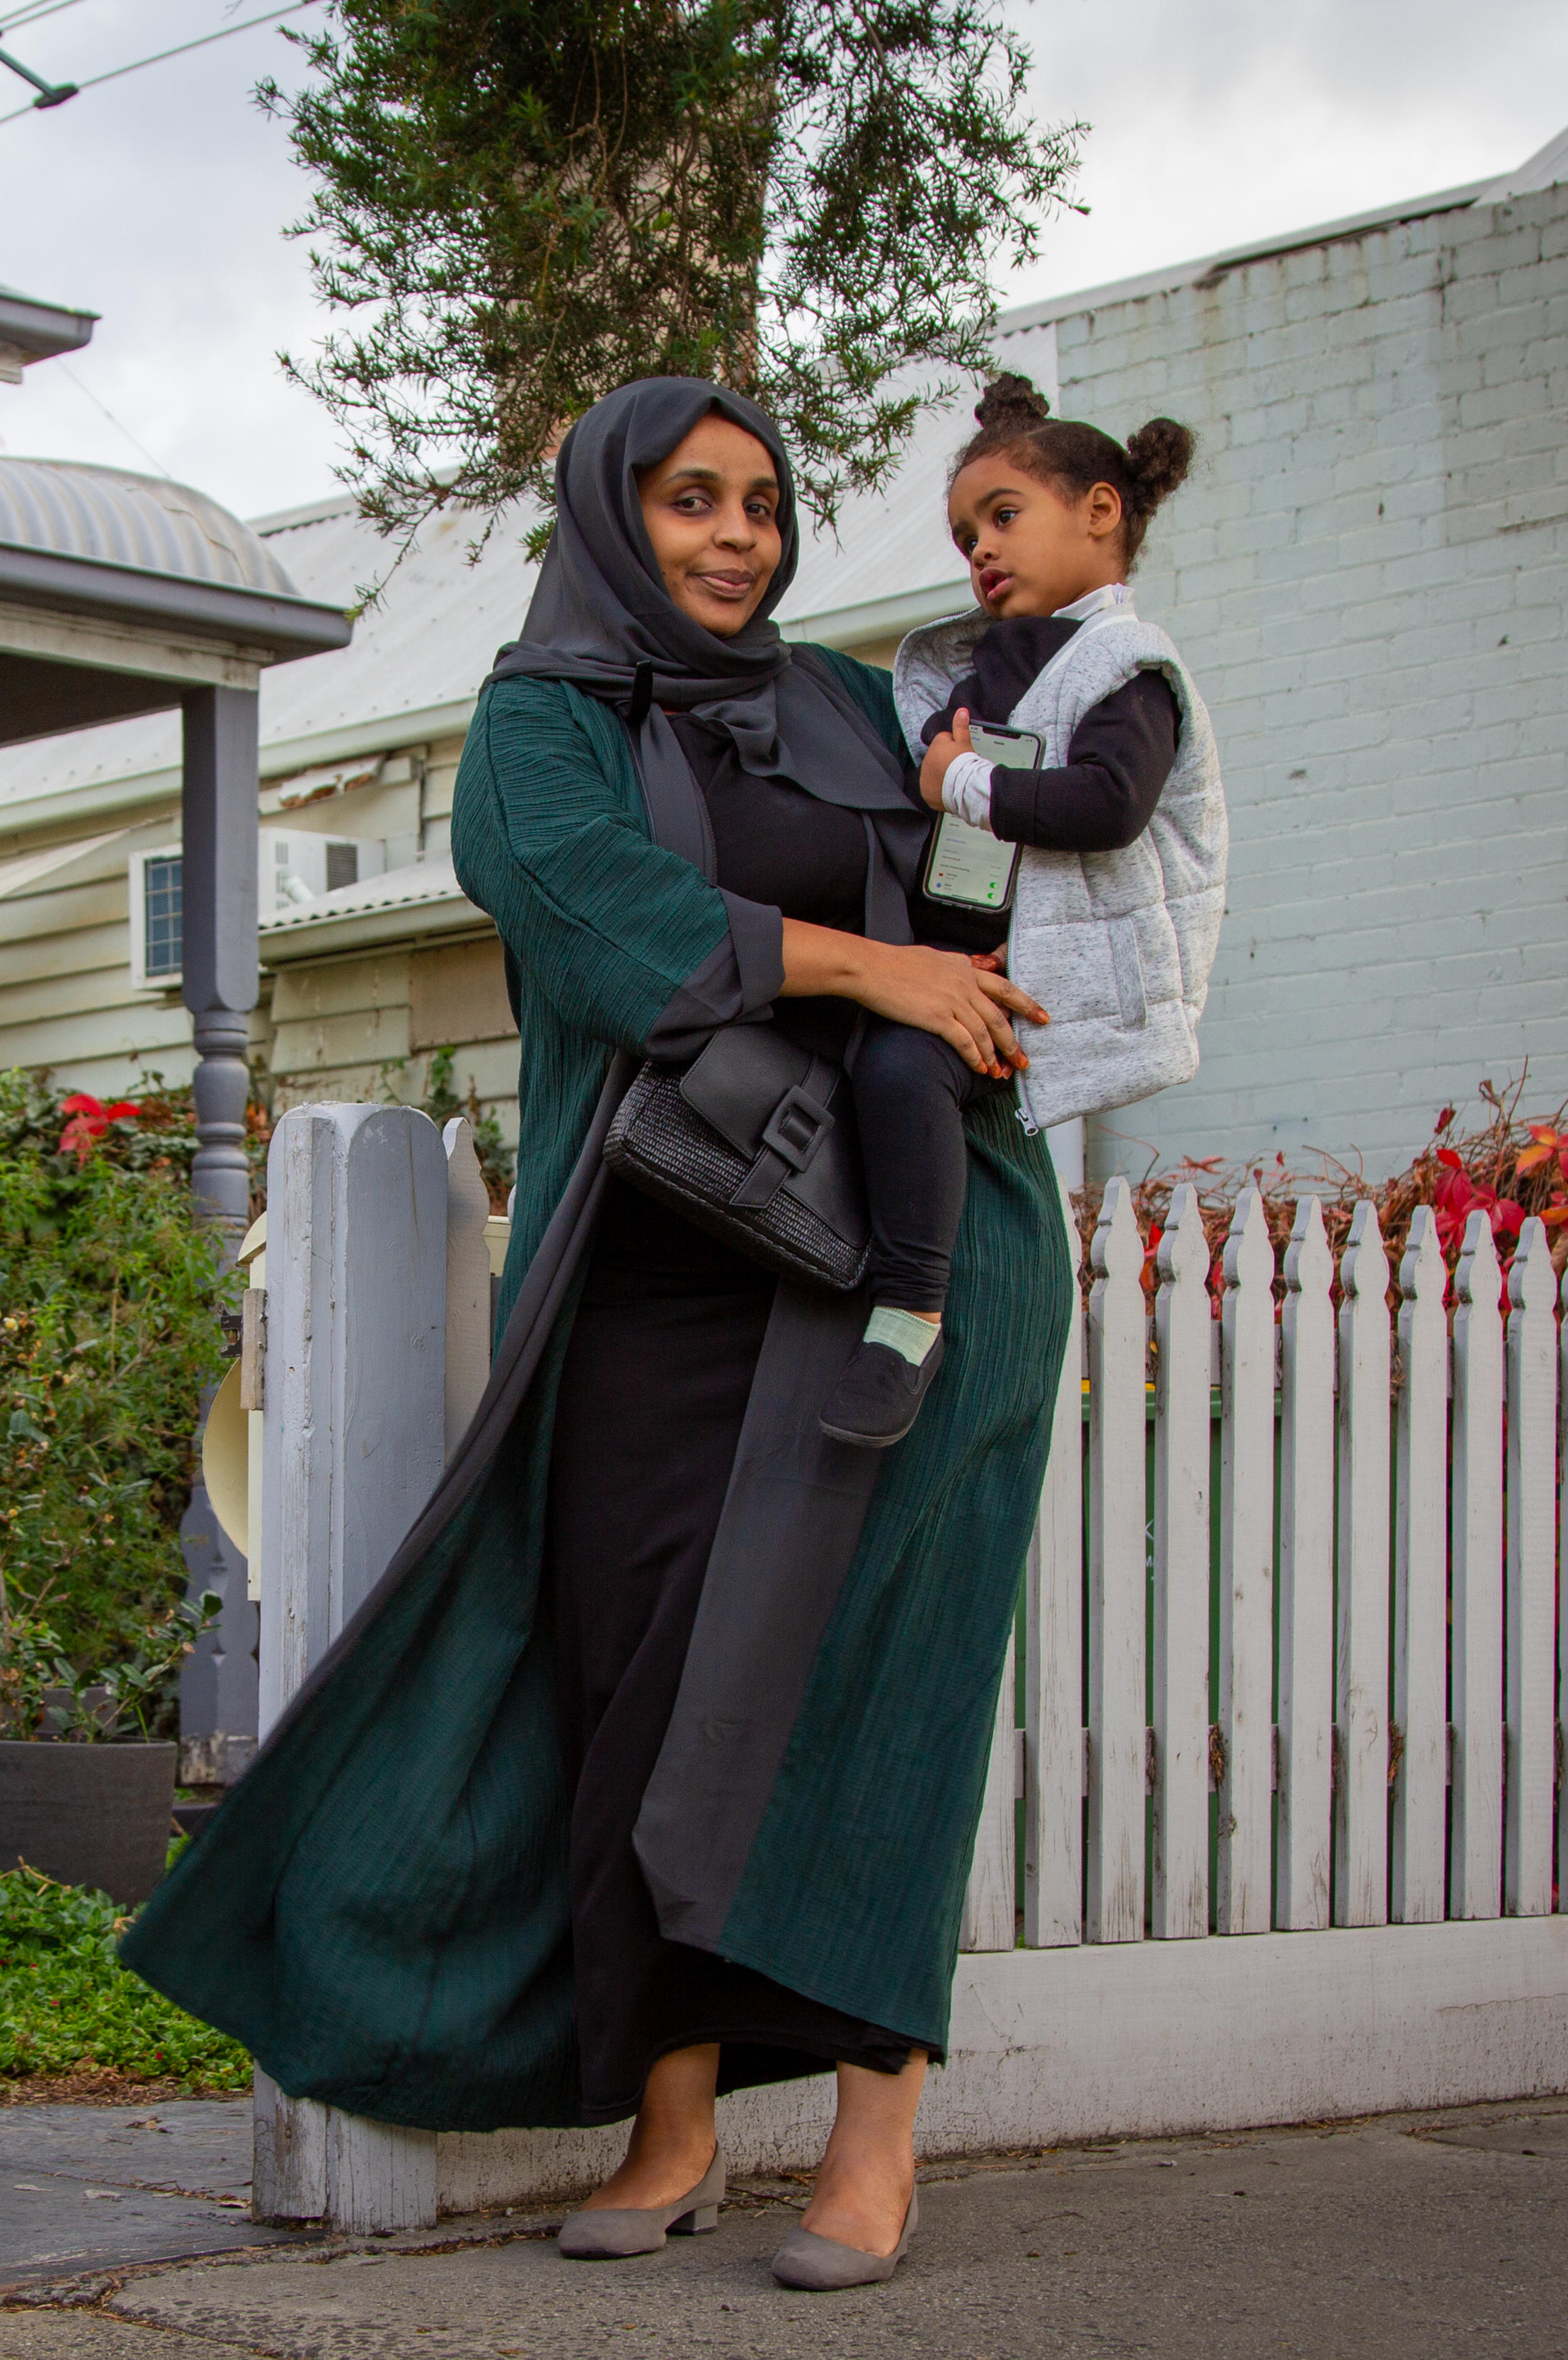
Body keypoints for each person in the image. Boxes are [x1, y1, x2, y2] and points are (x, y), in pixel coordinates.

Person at [120, 377, 1068, 2295]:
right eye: (694, 500)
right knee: (637, 1675)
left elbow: (954, 901)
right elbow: (586, 912)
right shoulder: (539, 719)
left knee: (882, 1677)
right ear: (613, 517)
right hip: (656, 1259)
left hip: (905, 1248)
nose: (738, 536)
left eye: (763, 503)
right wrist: (867, 959)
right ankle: (676, 2112)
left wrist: (969, 881)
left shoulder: (843, 701)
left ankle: (874, 2143)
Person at [818, 372, 1227, 1449]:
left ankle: (912, 1313)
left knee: (906, 1067)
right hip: (964, 949)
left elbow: (1106, 806)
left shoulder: (1129, 669)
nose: (981, 551)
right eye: (965, 536)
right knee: (871, 1057)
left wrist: (957, 780)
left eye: (1005, 517)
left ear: (1101, 511)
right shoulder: (987, 661)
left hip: (1056, 973)